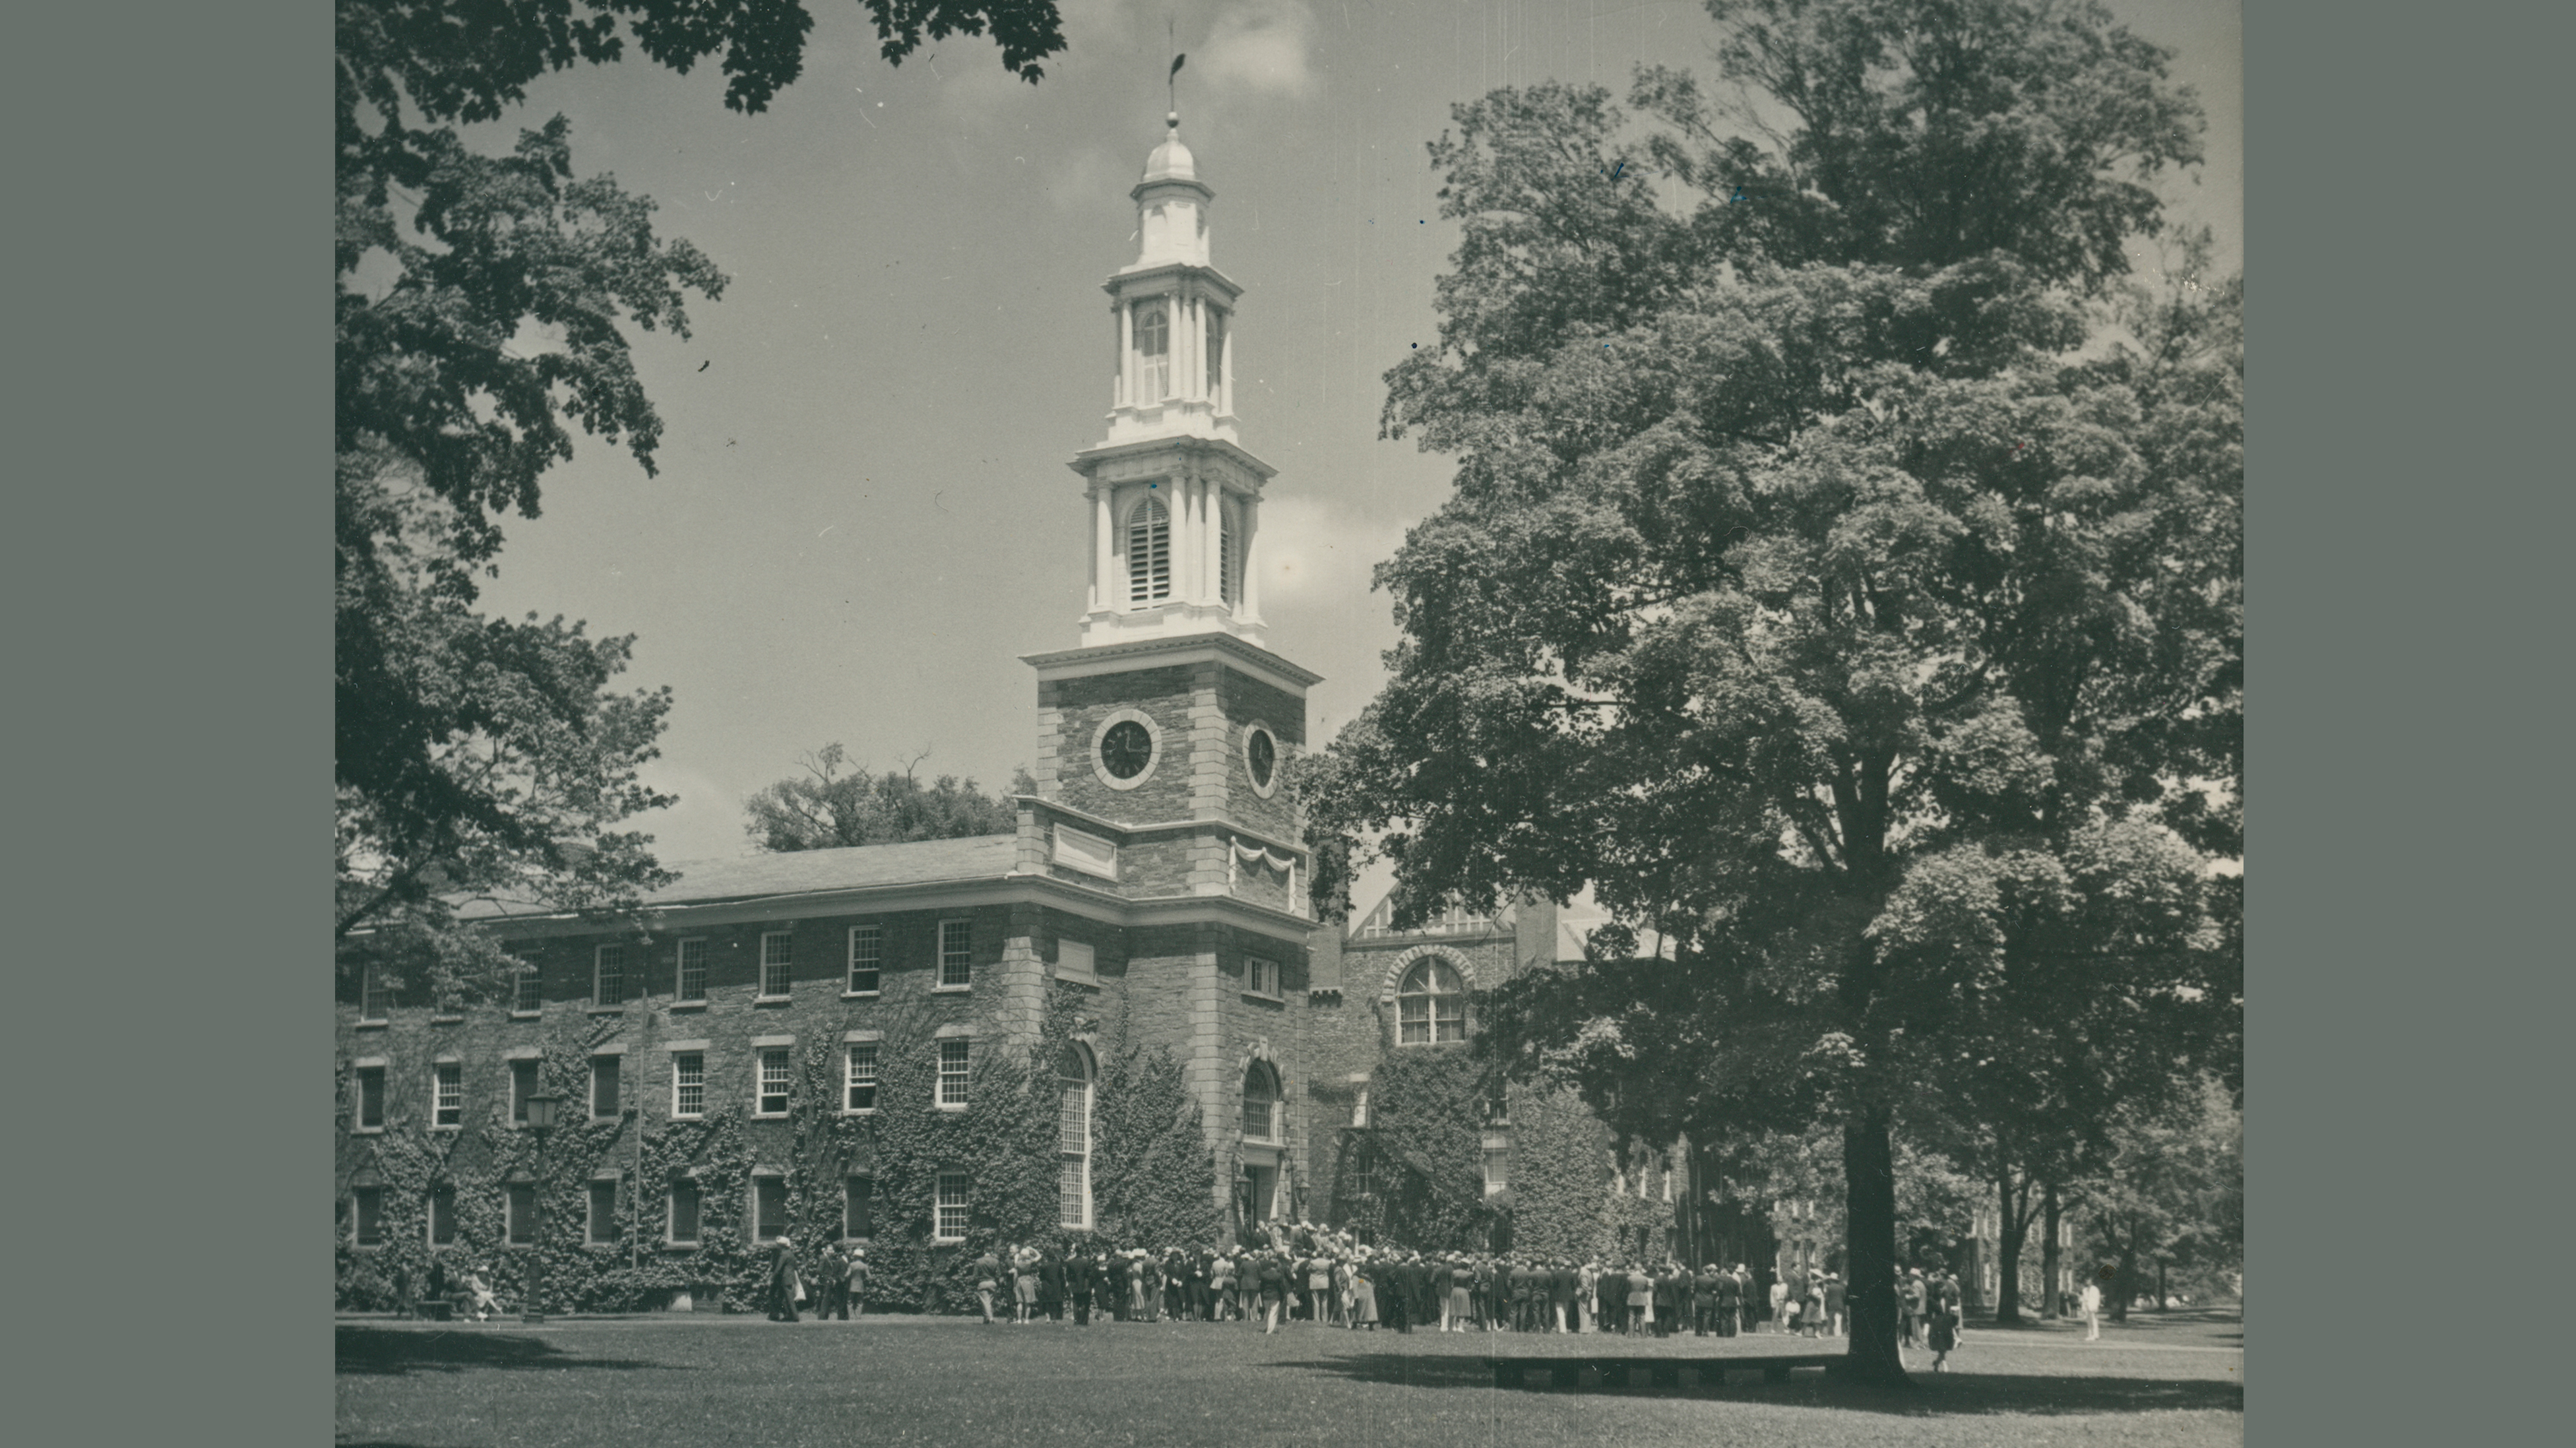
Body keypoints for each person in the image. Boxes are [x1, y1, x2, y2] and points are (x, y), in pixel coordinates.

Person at [767, 1238, 803, 1323]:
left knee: (789, 1298)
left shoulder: (784, 1254)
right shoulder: (791, 1254)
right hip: (790, 1278)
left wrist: (772, 1278)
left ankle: (795, 1316)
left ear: (782, 1246)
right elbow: (796, 1267)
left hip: (785, 1278)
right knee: (783, 1298)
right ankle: (787, 1315)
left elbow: (778, 1268)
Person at [971, 1247, 1002, 1325]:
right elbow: (998, 1275)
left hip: (983, 1283)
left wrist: (978, 1281)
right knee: (988, 1303)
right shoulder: (996, 1261)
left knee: (986, 1302)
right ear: (991, 1252)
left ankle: (991, 1318)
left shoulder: (979, 1261)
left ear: (984, 1251)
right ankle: (986, 1320)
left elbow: (975, 1276)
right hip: (992, 1283)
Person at [1928, 1300, 1960, 1372]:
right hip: (1942, 1332)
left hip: (1942, 1331)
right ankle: (1944, 1366)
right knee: (1942, 1351)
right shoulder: (1942, 1313)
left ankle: (1937, 1364)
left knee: (1942, 1351)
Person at [1901, 1268, 1928, 1347]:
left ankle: (1918, 1343)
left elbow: (1916, 1296)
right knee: (1920, 1326)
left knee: (1916, 1326)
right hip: (1922, 1308)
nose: (1909, 1276)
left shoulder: (1915, 1284)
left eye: (1910, 1275)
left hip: (1917, 1308)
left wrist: (1907, 1296)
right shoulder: (1920, 1283)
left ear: (1913, 1276)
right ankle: (1921, 1342)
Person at [1039, 1248, 1067, 1323]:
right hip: (1056, 1285)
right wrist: (1063, 1286)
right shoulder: (1058, 1265)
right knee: (1054, 1302)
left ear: (1047, 1257)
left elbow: (1041, 1277)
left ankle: (1048, 1318)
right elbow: (1062, 1276)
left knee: (1047, 1302)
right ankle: (1054, 1318)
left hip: (1046, 1285)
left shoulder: (1044, 1265)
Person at [846, 1246, 869, 1319]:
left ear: (855, 1256)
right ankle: (858, 1317)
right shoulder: (865, 1266)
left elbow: (847, 1275)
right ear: (862, 1257)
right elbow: (869, 1276)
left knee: (850, 1302)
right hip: (861, 1286)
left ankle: (851, 1317)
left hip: (852, 1286)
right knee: (860, 1303)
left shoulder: (852, 1265)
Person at [2080, 1274, 2104, 1342]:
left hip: (2093, 1307)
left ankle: (2095, 1335)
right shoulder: (2084, 1290)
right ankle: (2090, 1335)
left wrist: (2096, 1307)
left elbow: (2097, 1299)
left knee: (2094, 1322)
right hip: (2087, 1308)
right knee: (2089, 1322)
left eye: (2089, 1281)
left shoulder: (2095, 1289)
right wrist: (2083, 1308)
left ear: (2092, 1282)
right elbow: (2084, 1299)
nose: (2087, 1282)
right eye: (2086, 1281)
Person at [1823, 1271, 1846, 1337]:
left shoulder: (1829, 1287)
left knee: (1830, 1319)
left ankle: (1830, 1333)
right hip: (1840, 1305)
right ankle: (1838, 1333)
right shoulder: (1841, 1288)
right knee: (1838, 1319)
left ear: (1831, 1280)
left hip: (1831, 1305)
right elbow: (1844, 1297)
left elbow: (1827, 1298)